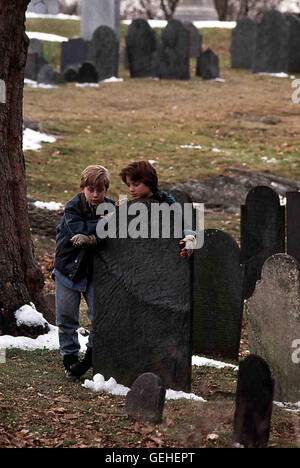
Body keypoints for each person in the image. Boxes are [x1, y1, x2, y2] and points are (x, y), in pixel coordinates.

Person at [53, 165, 114, 380]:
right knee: (66, 318)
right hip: (67, 270)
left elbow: (112, 234)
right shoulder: (72, 207)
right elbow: (78, 230)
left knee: (99, 316)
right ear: (83, 188)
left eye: (100, 190)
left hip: (93, 274)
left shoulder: (110, 208)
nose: (96, 195)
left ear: (106, 189)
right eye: (91, 190)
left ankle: (90, 357)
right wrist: (102, 225)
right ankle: (70, 359)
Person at [119, 160, 197, 257]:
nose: (131, 189)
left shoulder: (165, 201)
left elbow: (182, 224)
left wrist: (189, 239)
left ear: (149, 183)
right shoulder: (133, 205)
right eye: (129, 185)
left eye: (135, 185)